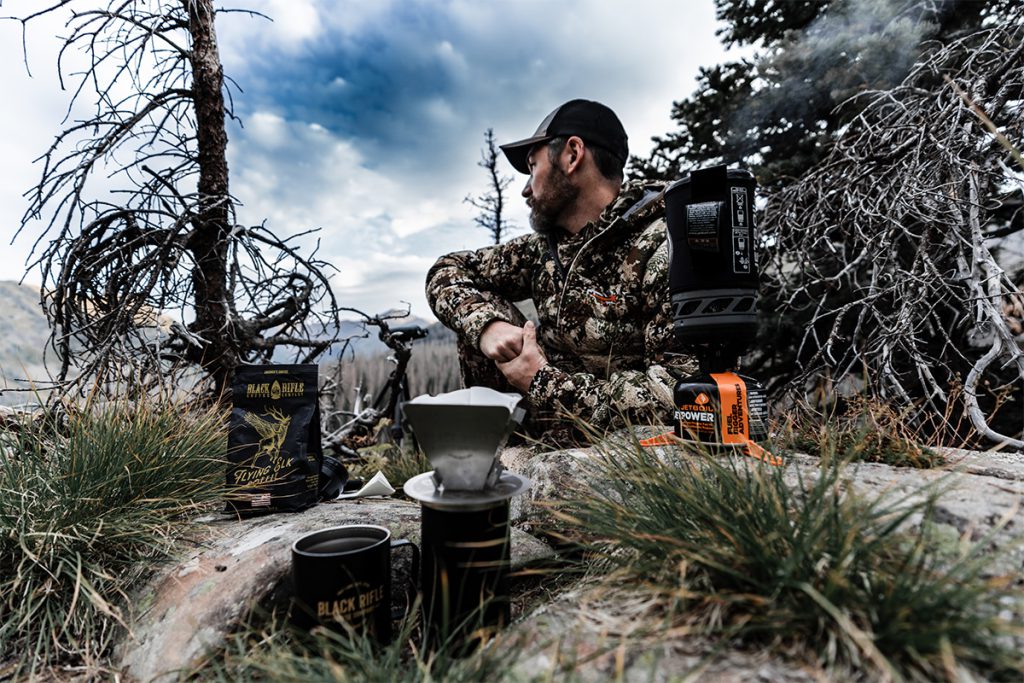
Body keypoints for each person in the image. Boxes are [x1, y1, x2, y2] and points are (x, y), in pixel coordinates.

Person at [426, 99, 694, 443]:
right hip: (542, 433)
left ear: (572, 155)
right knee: (479, 307)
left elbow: (677, 397)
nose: (525, 188)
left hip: (627, 449)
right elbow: (447, 269)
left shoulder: (663, 244)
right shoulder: (544, 249)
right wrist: (487, 326)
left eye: (532, 166)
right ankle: (492, 461)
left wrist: (540, 380)